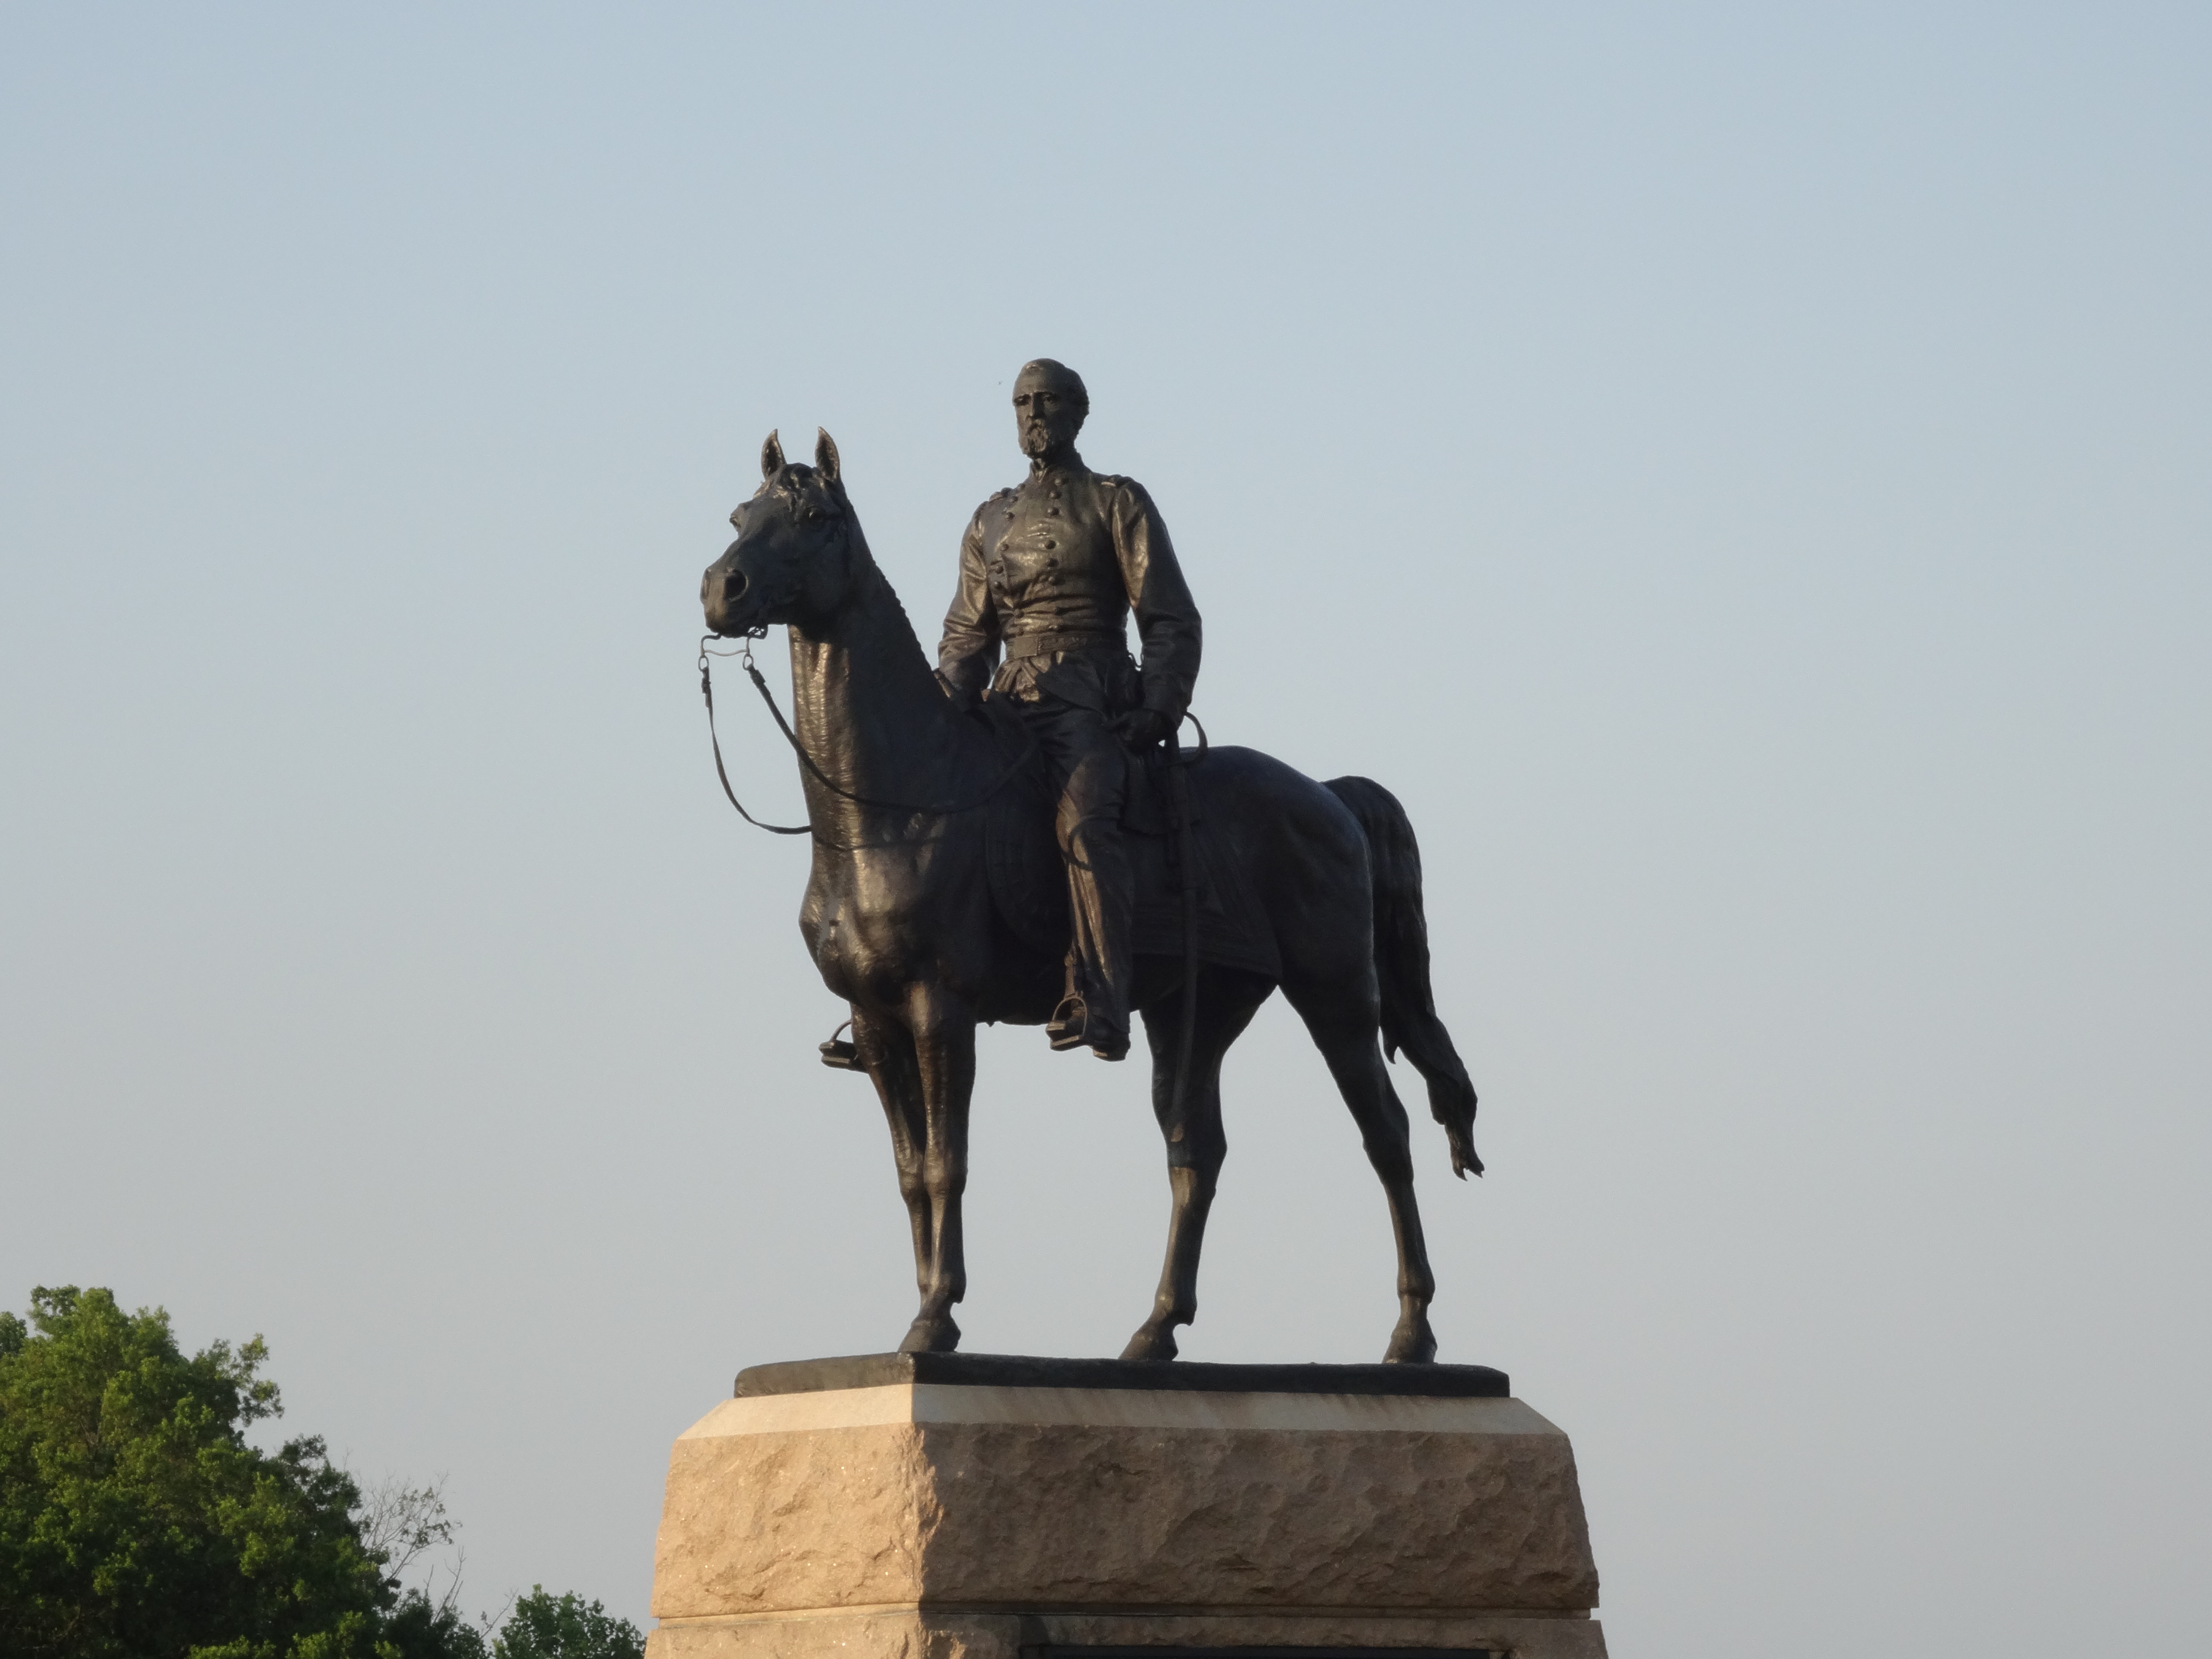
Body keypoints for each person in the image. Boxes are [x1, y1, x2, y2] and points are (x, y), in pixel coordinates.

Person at [936, 359, 1202, 1061]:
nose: (1033, 413)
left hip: (1089, 697)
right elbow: (967, 634)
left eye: (1048, 400)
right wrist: (948, 703)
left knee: (1084, 823)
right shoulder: (990, 518)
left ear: (1079, 413)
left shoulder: (1116, 501)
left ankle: (1103, 998)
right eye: (1023, 402)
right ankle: (898, 983)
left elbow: (1170, 618)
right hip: (1007, 704)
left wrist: (1159, 705)